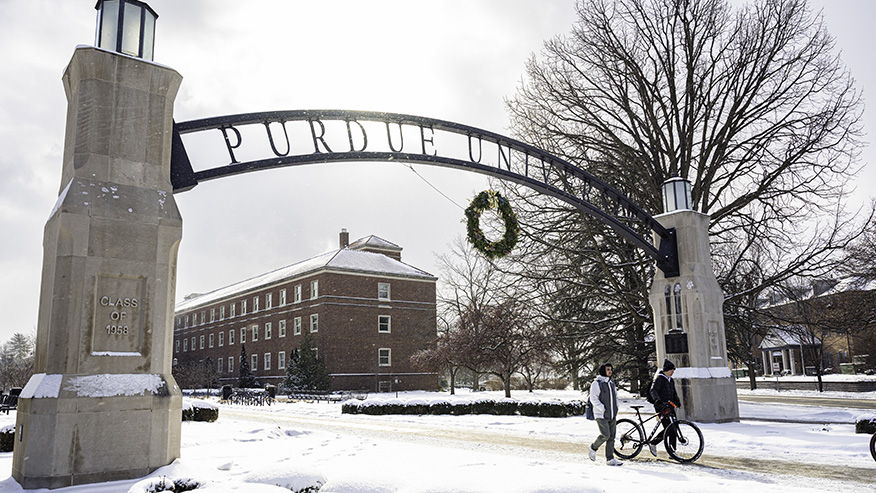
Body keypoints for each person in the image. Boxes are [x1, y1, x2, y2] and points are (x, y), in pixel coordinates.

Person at [588, 363, 623, 466]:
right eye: (608, 369)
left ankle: (610, 459)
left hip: (612, 414)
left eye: (611, 369)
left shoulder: (611, 383)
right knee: (605, 435)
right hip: (601, 415)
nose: (610, 371)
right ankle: (593, 447)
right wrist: (603, 409)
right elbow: (593, 399)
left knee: (611, 437)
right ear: (603, 370)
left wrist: (616, 407)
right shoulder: (596, 383)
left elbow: (615, 397)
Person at [648, 359, 681, 456]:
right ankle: (653, 443)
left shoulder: (670, 380)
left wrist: (677, 401)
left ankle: (672, 450)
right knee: (669, 428)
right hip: (661, 406)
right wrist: (657, 400)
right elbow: (653, 390)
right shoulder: (659, 378)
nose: (673, 372)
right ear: (667, 370)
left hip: (669, 406)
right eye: (672, 370)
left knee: (674, 426)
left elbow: (673, 392)